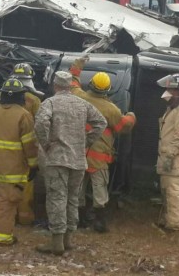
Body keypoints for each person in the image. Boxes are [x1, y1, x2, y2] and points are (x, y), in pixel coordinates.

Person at [35, 71, 106, 255]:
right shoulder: (83, 104)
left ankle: (56, 242)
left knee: (57, 198)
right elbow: (101, 122)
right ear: (70, 85)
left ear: (55, 85)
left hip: (57, 158)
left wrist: (46, 144)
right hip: (78, 160)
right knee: (73, 199)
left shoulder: (50, 103)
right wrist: (87, 141)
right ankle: (68, 240)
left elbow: (40, 122)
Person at [69, 56, 135, 232]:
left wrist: (78, 65)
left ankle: (80, 220)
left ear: (90, 85)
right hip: (99, 158)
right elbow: (123, 127)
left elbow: (73, 82)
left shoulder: (78, 97)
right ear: (108, 90)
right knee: (99, 190)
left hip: (78, 154)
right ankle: (99, 223)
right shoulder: (110, 109)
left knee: (78, 189)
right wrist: (131, 117)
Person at [0, 78, 38, 245]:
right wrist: (33, 165)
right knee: (7, 203)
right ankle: (2, 238)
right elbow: (29, 145)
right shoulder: (24, 115)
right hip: (12, 170)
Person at [156, 73, 179, 231]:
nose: (166, 92)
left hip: (174, 159)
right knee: (166, 190)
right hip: (166, 157)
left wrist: (170, 156)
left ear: (177, 92)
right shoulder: (173, 108)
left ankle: (176, 225)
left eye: (169, 89)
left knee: (173, 191)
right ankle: (168, 220)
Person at [11, 63, 42, 225]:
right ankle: (25, 218)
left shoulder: (5, 97)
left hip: (7, 148)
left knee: (8, 184)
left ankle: (9, 215)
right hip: (27, 148)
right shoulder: (35, 100)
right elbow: (39, 125)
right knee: (27, 184)